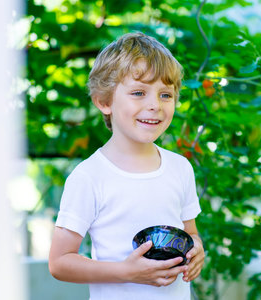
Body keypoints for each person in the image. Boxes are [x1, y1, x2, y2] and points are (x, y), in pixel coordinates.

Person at [48, 32, 205, 300]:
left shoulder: (180, 168)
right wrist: (126, 271)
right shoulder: (89, 177)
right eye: (138, 93)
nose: (154, 105)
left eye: (165, 94)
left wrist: (197, 252)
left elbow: (190, 233)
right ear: (104, 102)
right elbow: (60, 262)